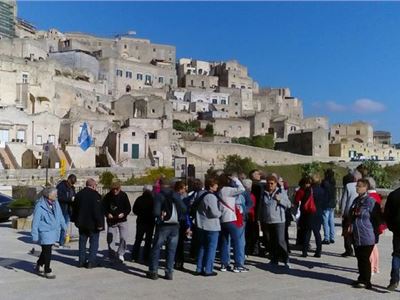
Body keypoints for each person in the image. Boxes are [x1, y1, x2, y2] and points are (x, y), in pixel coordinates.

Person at [147, 181, 187, 280]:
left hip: (163, 225)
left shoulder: (159, 195)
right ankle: (169, 272)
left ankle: (153, 271)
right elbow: (184, 208)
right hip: (175, 225)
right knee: (171, 249)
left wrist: (160, 215)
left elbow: (156, 212)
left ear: (160, 186)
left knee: (156, 248)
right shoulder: (176, 195)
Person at [350, 179, 381, 289]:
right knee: (360, 258)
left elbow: (377, 219)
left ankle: (366, 281)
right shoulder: (356, 200)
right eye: (357, 186)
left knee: (364, 258)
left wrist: (375, 233)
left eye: (360, 186)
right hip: (356, 234)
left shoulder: (370, 202)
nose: (357, 188)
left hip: (367, 234)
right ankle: (361, 277)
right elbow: (351, 214)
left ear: (366, 188)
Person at [31, 187, 66, 279]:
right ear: (49, 195)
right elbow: (35, 222)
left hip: (54, 231)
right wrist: (34, 235)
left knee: (45, 251)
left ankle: (39, 264)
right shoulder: (40, 205)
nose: (56, 195)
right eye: (55, 194)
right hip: (45, 231)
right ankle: (47, 270)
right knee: (48, 252)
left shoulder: (56, 203)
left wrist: (64, 227)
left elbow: (60, 215)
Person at [258, 175, 291, 267]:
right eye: (268, 183)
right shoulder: (263, 193)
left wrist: (280, 200)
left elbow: (288, 204)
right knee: (270, 241)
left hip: (279, 220)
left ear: (276, 184)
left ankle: (286, 260)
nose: (270, 185)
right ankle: (274, 259)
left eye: (272, 183)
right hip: (267, 221)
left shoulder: (281, 192)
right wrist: (260, 220)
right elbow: (262, 207)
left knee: (280, 241)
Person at [71, 178, 104, 268]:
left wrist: (74, 220)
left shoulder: (79, 195)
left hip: (81, 223)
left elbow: (74, 209)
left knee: (82, 243)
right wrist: (100, 224)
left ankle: (81, 261)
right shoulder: (95, 195)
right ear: (93, 185)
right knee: (93, 243)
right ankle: (91, 262)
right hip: (93, 224)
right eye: (96, 185)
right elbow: (97, 211)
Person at [218, 174, 247, 273]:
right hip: (231, 218)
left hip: (223, 219)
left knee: (225, 242)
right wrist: (236, 179)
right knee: (238, 242)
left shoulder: (219, 190)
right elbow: (242, 189)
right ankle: (238, 264)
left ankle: (224, 264)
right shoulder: (228, 189)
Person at [195, 178, 222, 276]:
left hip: (201, 224)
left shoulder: (200, 193)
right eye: (215, 185)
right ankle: (208, 269)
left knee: (202, 247)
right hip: (211, 225)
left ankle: (199, 268)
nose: (217, 186)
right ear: (211, 186)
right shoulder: (211, 197)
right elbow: (214, 212)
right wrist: (220, 213)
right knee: (211, 248)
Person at [103, 181, 131, 262]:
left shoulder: (123, 195)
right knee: (110, 239)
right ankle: (112, 254)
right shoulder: (108, 196)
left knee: (124, 237)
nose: (115, 191)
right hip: (112, 221)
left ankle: (121, 253)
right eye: (113, 189)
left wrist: (124, 214)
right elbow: (103, 208)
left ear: (120, 188)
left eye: (117, 189)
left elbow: (128, 208)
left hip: (122, 220)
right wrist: (107, 214)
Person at [340, 170, 362, 257]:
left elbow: (344, 200)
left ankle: (348, 249)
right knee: (356, 232)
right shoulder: (364, 186)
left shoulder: (348, 186)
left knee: (346, 232)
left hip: (348, 212)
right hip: (358, 212)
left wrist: (342, 212)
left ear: (354, 178)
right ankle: (357, 249)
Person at [131, 185, 154, 263]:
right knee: (148, 240)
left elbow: (134, 210)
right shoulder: (153, 200)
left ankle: (134, 256)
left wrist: (140, 213)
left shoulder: (139, 199)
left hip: (141, 221)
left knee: (138, 239)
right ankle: (146, 257)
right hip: (150, 222)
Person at [366, 177, 383, 275]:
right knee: (375, 247)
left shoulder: (369, 197)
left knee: (370, 248)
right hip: (377, 226)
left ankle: (371, 268)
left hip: (371, 226)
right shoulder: (377, 196)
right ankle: (376, 267)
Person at [384, 186, 400, 291]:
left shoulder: (394, 194)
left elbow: (387, 214)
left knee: (397, 254)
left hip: (397, 229)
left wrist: (391, 226)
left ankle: (394, 279)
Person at [56, 174, 76, 248]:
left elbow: (74, 196)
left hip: (68, 209)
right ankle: (61, 242)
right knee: (62, 226)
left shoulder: (72, 188)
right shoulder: (61, 187)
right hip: (62, 208)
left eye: (73, 183)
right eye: (71, 182)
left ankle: (62, 241)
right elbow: (60, 198)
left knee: (65, 226)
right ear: (68, 180)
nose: (72, 184)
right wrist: (70, 199)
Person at [321, 169, 337, 244]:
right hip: (332, 202)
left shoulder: (324, 182)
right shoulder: (333, 182)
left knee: (325, 220)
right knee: (331, 220)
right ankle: (332, 237)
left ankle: (326, 238)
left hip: (326, 203)